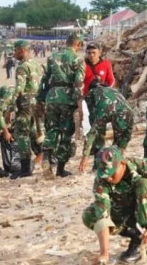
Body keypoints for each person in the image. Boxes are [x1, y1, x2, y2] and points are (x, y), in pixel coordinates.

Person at [83, 147, 147, 265]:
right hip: (124, 213)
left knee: (145, 184)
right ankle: (135, 235)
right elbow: (102, 212)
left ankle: (140, 241)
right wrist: (104, 254)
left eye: (111, 173)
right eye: (105, 175)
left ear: (122, 163)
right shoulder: (102, 180)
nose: (108, 178)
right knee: (90, 214)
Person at [40, 33, 85, 178]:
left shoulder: (52, 57)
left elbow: (44, 79)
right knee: (66, 132)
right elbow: (78, 82)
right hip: (67, 98)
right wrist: (79, 103)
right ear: (78, 44)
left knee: (52, 128)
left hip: (52, 97)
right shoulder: (77, 59)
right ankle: (60, 168)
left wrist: (40, 98)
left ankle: (46, 157)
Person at [79, 84, 135, 173]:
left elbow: (92, 133)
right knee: (117, 138)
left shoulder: (92, 94)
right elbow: (127, 135)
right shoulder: (111, 90)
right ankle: (105, 162)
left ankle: (101, 164)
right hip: (125, 110)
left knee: (99, 133)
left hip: (112, 111)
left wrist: (84, 158)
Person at [10, 40, 44, 179]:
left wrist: (12, 106)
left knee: (22, 133)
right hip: (37, 101)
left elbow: (19, 88)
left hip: (25, 102)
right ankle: (44, 156)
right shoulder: (37, 65)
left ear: (22, 50)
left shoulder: (22, 67)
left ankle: (25, 168)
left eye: (16, 50)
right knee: (34, 130)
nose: (14, 53)